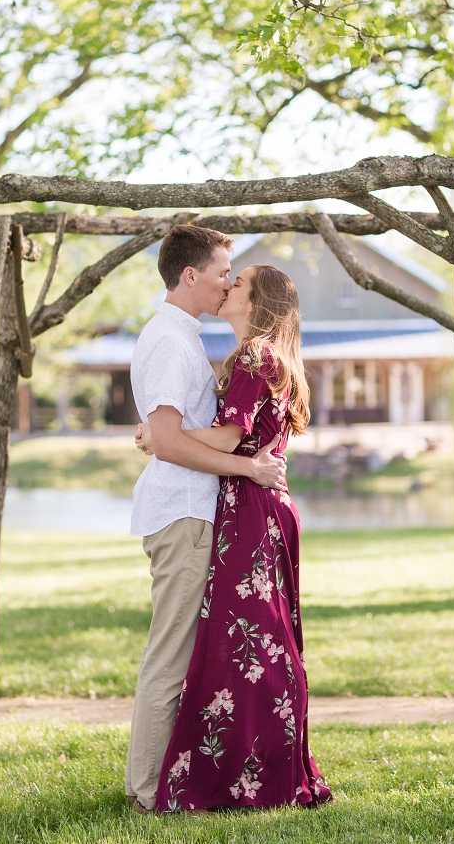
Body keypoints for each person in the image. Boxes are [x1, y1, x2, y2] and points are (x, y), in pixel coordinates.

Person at [136, 264, 332, 812]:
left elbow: (227, 436)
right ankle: (260, 769)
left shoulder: (254, 356)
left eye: (237, 282)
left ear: (259, 300)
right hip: (267, 505)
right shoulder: (271, 357)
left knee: (248, 642)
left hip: (249, 505)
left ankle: (249, 775)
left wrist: (159, 434)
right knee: (263, 640)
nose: (227, 287)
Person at [125, 226, 287, 814]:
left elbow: (166, 434)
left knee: (178, 655)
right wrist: (245, 470)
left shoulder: (183, 338)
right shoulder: (171, 341)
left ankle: (151, 781)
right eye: (222, 271)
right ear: (190, 276)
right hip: (184, 512)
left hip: (192, 510)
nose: (227, 282)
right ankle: (148, 791)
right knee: (171, 657)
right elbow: (168, 442)